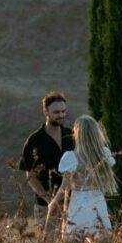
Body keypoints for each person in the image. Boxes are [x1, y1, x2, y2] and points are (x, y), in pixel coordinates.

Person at [55, 115, 117, 239]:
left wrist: (53, 202)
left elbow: (64, 186)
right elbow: (105, 184)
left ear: (78, 134)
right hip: (99, 204)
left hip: (78, 205)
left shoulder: (71, 157)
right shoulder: (103, 154)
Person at [19, 91, 74, 220]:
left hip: (72, 204)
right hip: (45, 206)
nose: (61, 115)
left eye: (63, 111)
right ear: (46, 112)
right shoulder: (34, 141)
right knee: (49, 240)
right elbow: (30, 176)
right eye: (56, 112)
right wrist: (49, 199)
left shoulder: (71, 136)